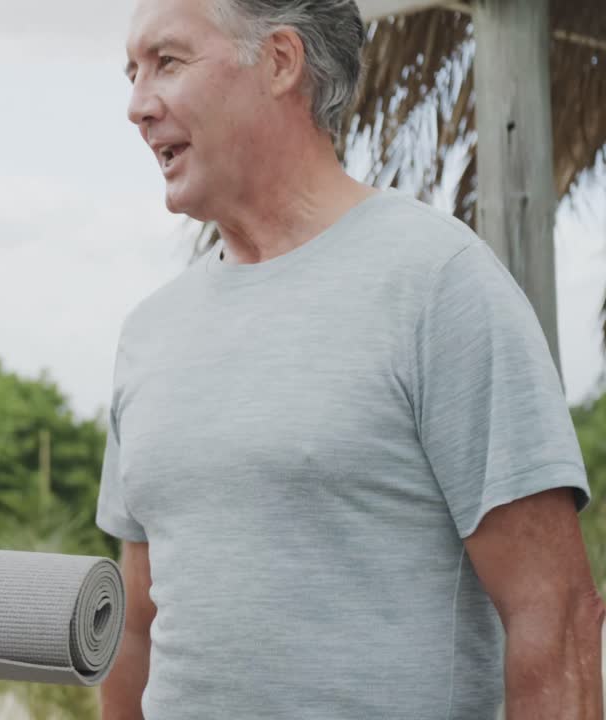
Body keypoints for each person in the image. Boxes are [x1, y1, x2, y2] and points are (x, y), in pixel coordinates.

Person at [96, 0, 604, 718]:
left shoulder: (438, 282)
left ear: (278, 61)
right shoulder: (149, 333)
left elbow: (554, 621)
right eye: (132, 72)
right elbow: (138, 630)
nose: (137, 105)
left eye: (167, 63)